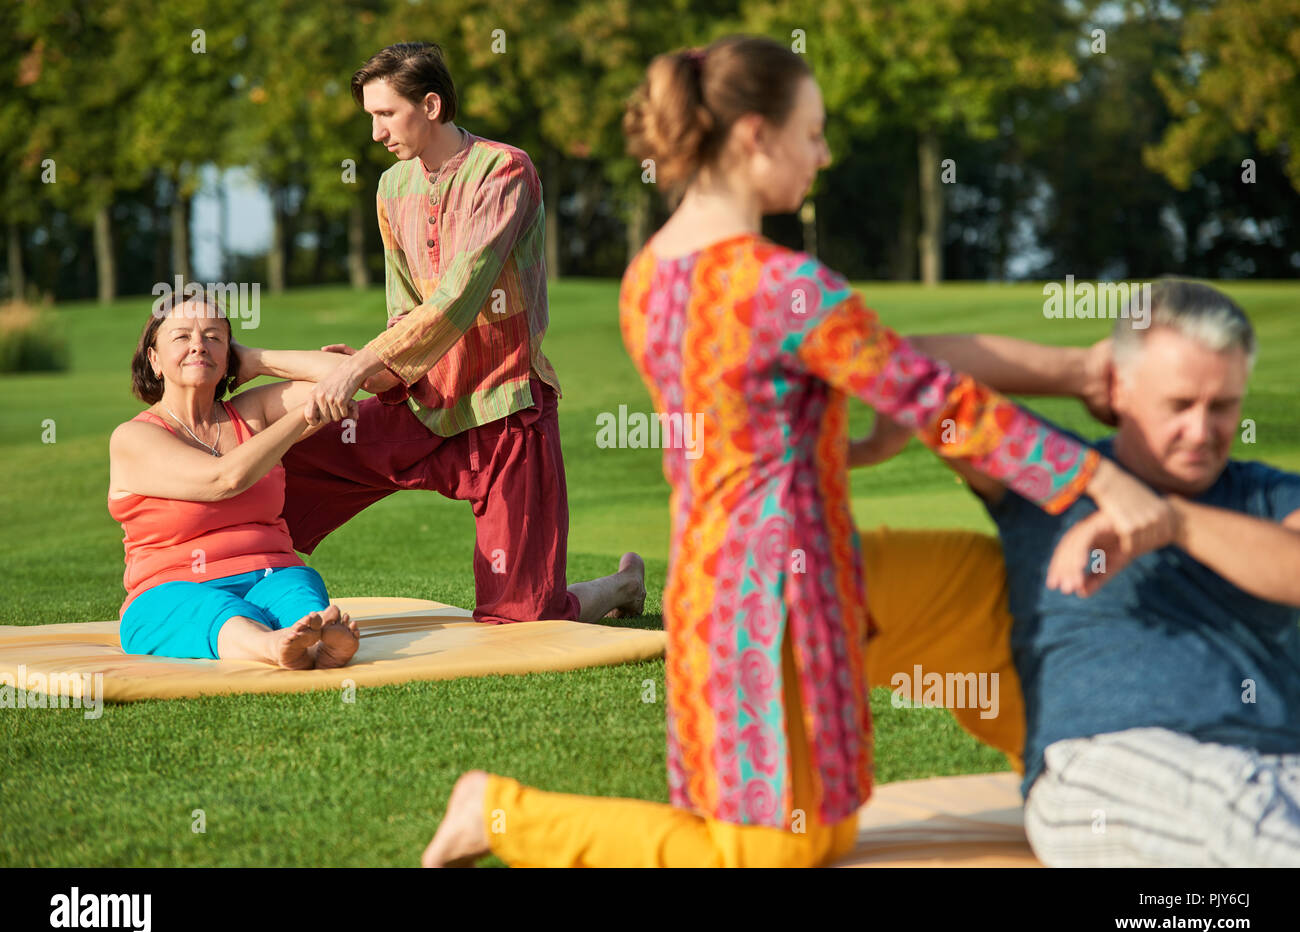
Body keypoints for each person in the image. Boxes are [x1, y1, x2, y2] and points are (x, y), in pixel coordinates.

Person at [418, 35, 1172, 867]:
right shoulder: (780, 284)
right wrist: (1099, 477)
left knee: (991, 611)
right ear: (754, 136)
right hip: (760, 605)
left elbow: (767, 415)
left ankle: (1082, 783)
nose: (824, 153)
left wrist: (846, 435)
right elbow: (937, 396)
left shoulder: (651, 276)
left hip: (789, 572)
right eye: (812, 132)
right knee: (769, 854)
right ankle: (499, 814)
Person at [910, 279, 1300, 866]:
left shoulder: (1267, 495)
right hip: (1110, 762)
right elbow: (906, 372)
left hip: (1282, 761)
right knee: (1250, 816)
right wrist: (1076, 370)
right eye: (1180, 405)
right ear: (1121, 387)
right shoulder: (1054, 475)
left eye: (1222, 407)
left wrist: (1172, 523)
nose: (1201, 432)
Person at [276, 41, 644, 625]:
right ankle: (243, 587)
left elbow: (458, 296)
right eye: (369, 117)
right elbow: (405, 309)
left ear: (430, 104)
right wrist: (375, 366)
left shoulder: (505, 170)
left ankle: (623, 584)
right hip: (423, 407)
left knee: (524, 614)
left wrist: (358, 365)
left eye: (385, 115)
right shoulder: (391, 189)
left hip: (504, 407)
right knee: (285, 465)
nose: (375, 134)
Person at [108, 292, 367, 669]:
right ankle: (272, 646)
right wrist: (302, 419)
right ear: (154, 359)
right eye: (182, 337)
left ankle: (314, 645)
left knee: (297, 591)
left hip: (272, 572)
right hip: (171, 589)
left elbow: (353, 376)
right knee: (211, 609)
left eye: (214, 337)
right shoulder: (134, 438)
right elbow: (223, 479)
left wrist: (258, 359)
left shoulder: (253, 412)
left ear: (229, 354)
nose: (199, 345)